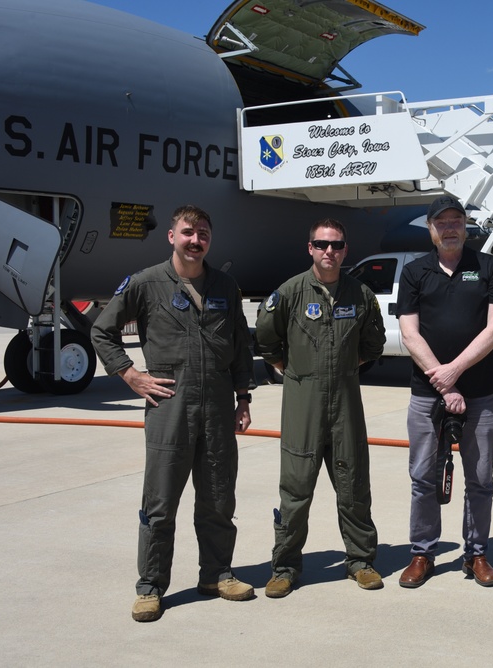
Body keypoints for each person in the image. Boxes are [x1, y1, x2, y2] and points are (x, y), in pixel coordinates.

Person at [91, 205, 255, 623]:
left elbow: (239, 344)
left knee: (218, 499)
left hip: (218, 408)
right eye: (188, 232)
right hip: (169, 407)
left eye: (203, 232)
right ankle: (150, 587)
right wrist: (130, 375)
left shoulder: (224, 284)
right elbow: (101, 330)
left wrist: (243, 398)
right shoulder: (146, 283)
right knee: (161, 503)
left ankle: (217, 574)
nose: (195, 239)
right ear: (171, 236)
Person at [255, 218, 386, 597]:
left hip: (346, 401)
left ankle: (360, 562)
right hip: (303, 402)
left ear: (346, 250)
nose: (330, 251)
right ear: (309, 248)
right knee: (295, 490)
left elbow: (372, 344)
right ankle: (284, 566)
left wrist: (344, 369)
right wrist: (295, 371)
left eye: (337, 244)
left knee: (354, 485)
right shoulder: (291, 292)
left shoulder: (360, 295)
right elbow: (267, 338)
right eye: (322, 244)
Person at [395, 195, 493, 588]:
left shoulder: (489, 267)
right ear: (430, 228)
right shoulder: (415, 272)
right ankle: (422, 553)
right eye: (440, 222)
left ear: (466, 225)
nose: (449, 228)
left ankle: (476, 555)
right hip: (426, 394)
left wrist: (454, 373)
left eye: (455, 220)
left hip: (479, 393)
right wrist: (441, 382)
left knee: (480, 478)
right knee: (423, 476)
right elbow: (409, 333)